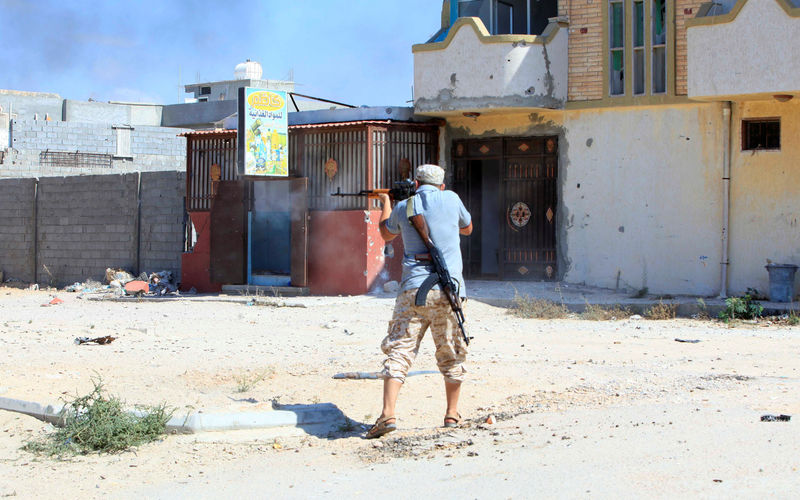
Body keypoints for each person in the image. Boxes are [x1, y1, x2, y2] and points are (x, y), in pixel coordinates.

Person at [366, 164, 473, 439]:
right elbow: (468, 228)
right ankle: (452, 413)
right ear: (441, 185)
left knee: (400, 348)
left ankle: (388, 413)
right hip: (449, 288)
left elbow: (386, 234)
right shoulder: (451, 199)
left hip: (413, 288)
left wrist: (388, 203)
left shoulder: (405, 207)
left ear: (415, 182)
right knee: (451, 349)